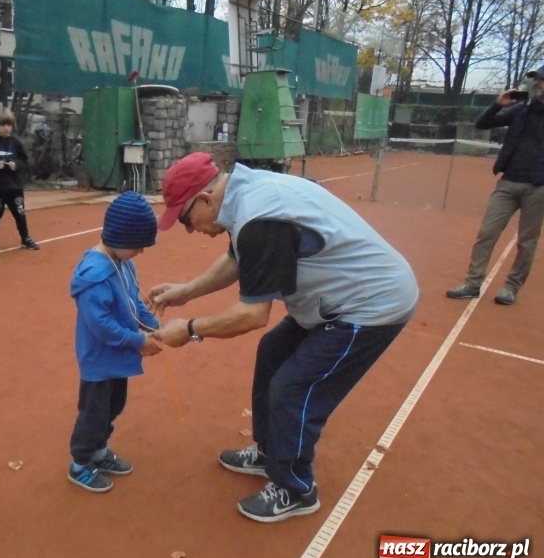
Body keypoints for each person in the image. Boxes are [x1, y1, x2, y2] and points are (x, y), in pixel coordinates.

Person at [150, 152, 418, 523]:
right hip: (333, 301)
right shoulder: (244, 193)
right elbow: (239, 258)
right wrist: (187, 291)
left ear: (207, 200)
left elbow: (252, 314)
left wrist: (191, 329)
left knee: (294, 386)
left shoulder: (261, 216)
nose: (189, 229)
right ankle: (270, 451)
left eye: (185, 219)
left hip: (371, 305)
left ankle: (296, 487)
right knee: (273, 352)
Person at [67, 192, 162, 492]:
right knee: (93, 413)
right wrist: (137, 341)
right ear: (120, 237)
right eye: (138, 246)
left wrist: (155, 327)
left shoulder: (123, 263)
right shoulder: (95, 276)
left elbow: (135, 300)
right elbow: (102, 327)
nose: (141, 252)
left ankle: (99, 451)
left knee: (113, 407)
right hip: (99, 360)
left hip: (118, 358)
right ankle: (80, 463)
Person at [446, 65, 544, 305]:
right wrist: (498, 105)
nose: (536, 84)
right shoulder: (521, 110)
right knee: (486, 233)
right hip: (508, 182)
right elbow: (482, 124)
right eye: (536, 80)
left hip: (538, 187)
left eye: (541, 81)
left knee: (526, 242)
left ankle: (511, 287)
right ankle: (472, 283)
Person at [0, 108, 39, 254]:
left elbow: (24, 161)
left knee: (20, 213)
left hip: (15, 186)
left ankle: (25, 238)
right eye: (3, 125)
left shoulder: (16, 142)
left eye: (9, 125)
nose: (6, 128)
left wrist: (16, 165)